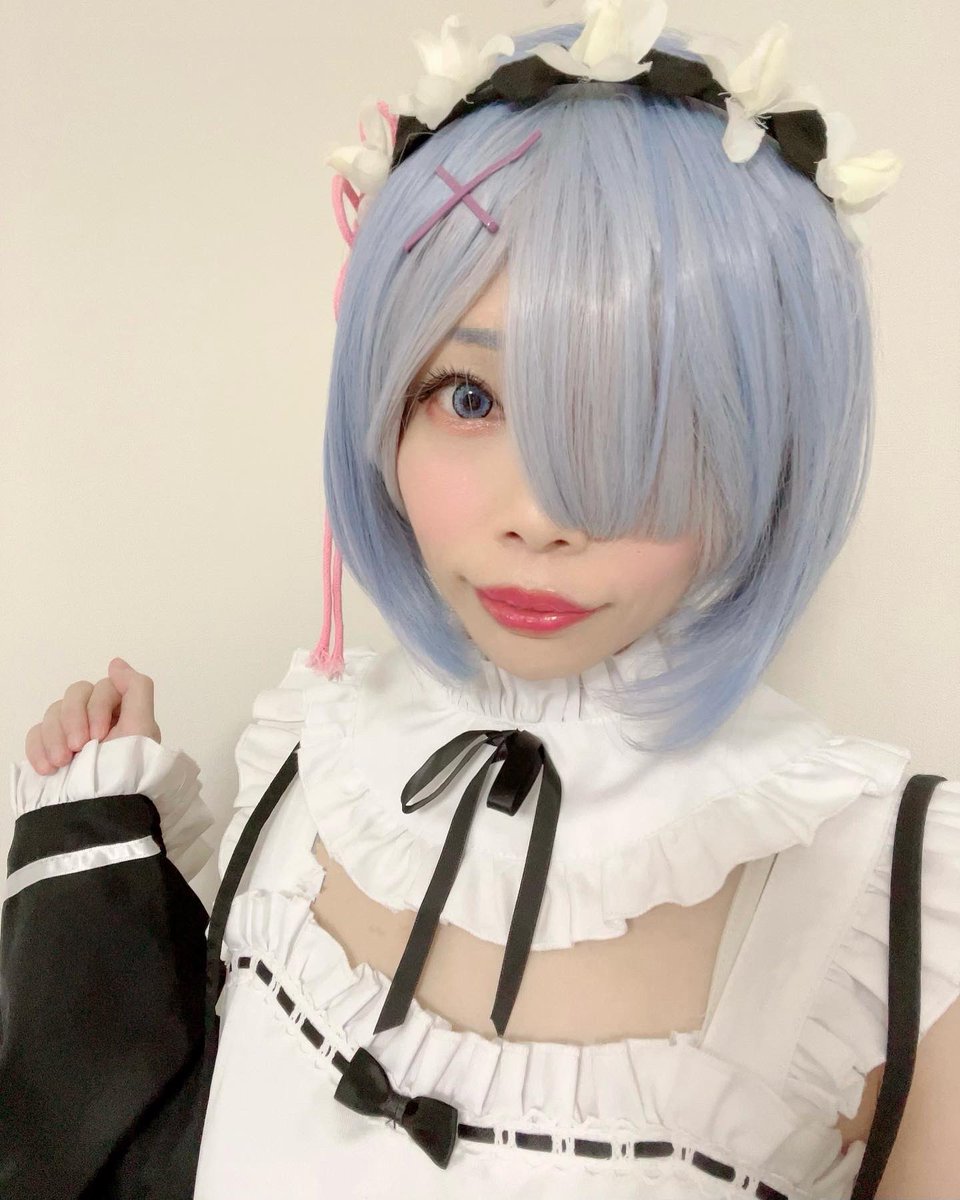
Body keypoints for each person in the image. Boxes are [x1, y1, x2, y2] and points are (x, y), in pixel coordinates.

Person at [2, 5, 957, 1199]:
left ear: (777, 446)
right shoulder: (313, 752)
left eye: (648, 418)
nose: (543, 513)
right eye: (470, 397)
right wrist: (107, 837)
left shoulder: (890, 901)